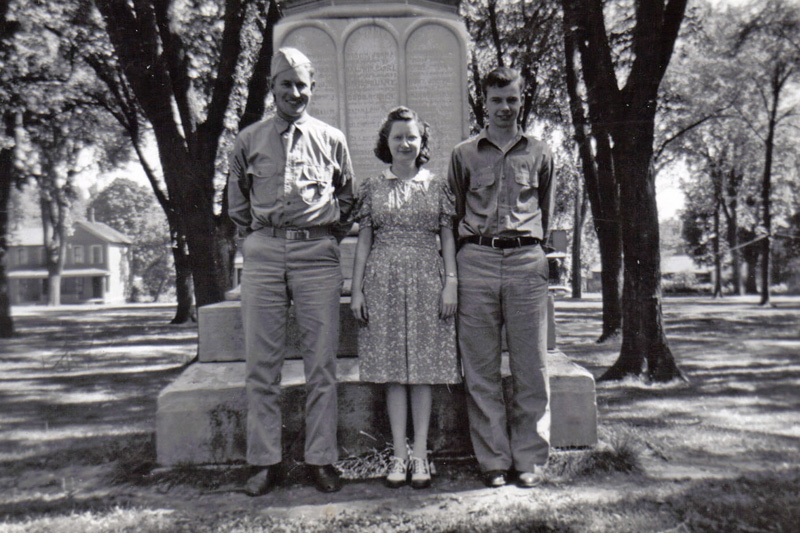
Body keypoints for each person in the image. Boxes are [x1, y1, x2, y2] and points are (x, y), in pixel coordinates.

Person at [227, 47, 355, 495]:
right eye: (287, 84)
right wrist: (257, 239)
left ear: (312, 89)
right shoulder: (248, 140)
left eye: (302, 85)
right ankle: (264, 462)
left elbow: (349, 198)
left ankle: (321, 459)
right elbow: (237, 204)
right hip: (264, 254)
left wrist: (324, 238)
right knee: (262, 366)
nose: (295, 93)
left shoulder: (332, 138)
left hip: (316, 255)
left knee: (321, 364)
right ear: (273, 89)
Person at [447, 67, 555, 489]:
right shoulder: (464, 154)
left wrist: (541, 256)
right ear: (484, 103)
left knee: (532, 366)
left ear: (521, 100)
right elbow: (455, 212)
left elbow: (547, 207)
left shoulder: (541, 153)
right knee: (481, 368)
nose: (505, 107)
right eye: (497, 100)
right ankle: (493, 459)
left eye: (512, 99)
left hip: (527, 260)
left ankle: (528, 459)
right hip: (477, 259)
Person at [350, 106, 460, 489]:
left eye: (412, 136)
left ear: (422, 141)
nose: (405, 143)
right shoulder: (373, 187)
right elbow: (364, 241)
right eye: (397, 137)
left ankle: (421, 455)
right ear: (386, 142)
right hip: (383, 282)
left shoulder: (438, 186)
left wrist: (451, 282)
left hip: (428, 280)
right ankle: (398, 453)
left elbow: (447, 237)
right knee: (394, 370)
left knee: (424, 370)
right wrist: (357, 288)